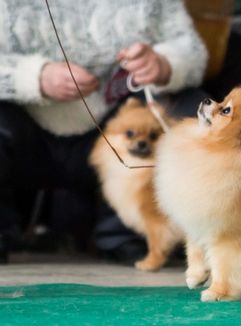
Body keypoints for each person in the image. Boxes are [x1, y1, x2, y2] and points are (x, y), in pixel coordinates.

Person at [0, 0, 208, 263]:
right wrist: (34, 78)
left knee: (188, 109)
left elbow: (191, 49)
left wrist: (164, 64)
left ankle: (140, 236)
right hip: (21, 129)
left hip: (118, 126)